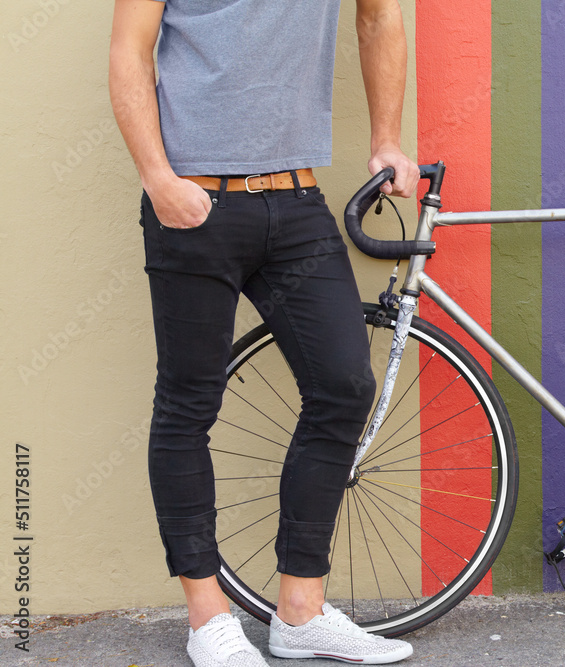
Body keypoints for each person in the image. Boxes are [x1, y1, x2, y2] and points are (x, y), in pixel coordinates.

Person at [109, 0, 419, 664]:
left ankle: (300, 611)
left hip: (296, 199)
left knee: (342, 385)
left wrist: (386, 138)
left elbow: (380, 16)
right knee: (189, 403)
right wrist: (157, 178)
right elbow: (129, 51)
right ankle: (207, 618)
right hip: (193, 200)